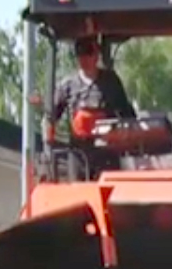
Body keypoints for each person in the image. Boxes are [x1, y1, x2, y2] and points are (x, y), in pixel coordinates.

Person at [43, 35, 137, 177]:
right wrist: (48, 138)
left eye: (88, 53)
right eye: (80, 54)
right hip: (78, 154)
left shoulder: (110, 81)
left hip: (107, 153)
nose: (84, 59)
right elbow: (51, 117)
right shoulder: (68, 85)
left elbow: (126, 113)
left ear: (96, 54)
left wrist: (127, 135)